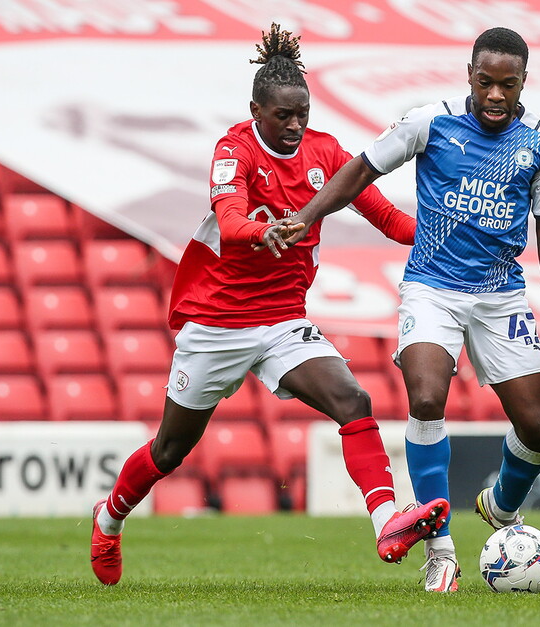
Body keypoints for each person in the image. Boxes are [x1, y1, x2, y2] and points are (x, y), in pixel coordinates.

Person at [89, 24, 449, 586]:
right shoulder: (233, 148)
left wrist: (441, 229)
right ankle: (109, 518)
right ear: (256, 110)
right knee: (170, 449)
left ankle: (386, 521)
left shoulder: (326, 152)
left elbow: (387, 217)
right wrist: (262, 234)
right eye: (283, 115)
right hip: (216, 321)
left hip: (282, 321)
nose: (295, 125)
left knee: (353, 397)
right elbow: (230, 219)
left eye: (302, 112)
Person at [282, 27, 540, 593]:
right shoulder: (430, 122)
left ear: (524, 82)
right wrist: (306, 213)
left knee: (539, 427)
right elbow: (360, 170)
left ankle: (499, 507)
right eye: (486, 82)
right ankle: (439, 549)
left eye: (508, 84)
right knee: (425, 396)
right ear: (469, 75)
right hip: (433, 287)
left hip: (501, 295)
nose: (496, 95)